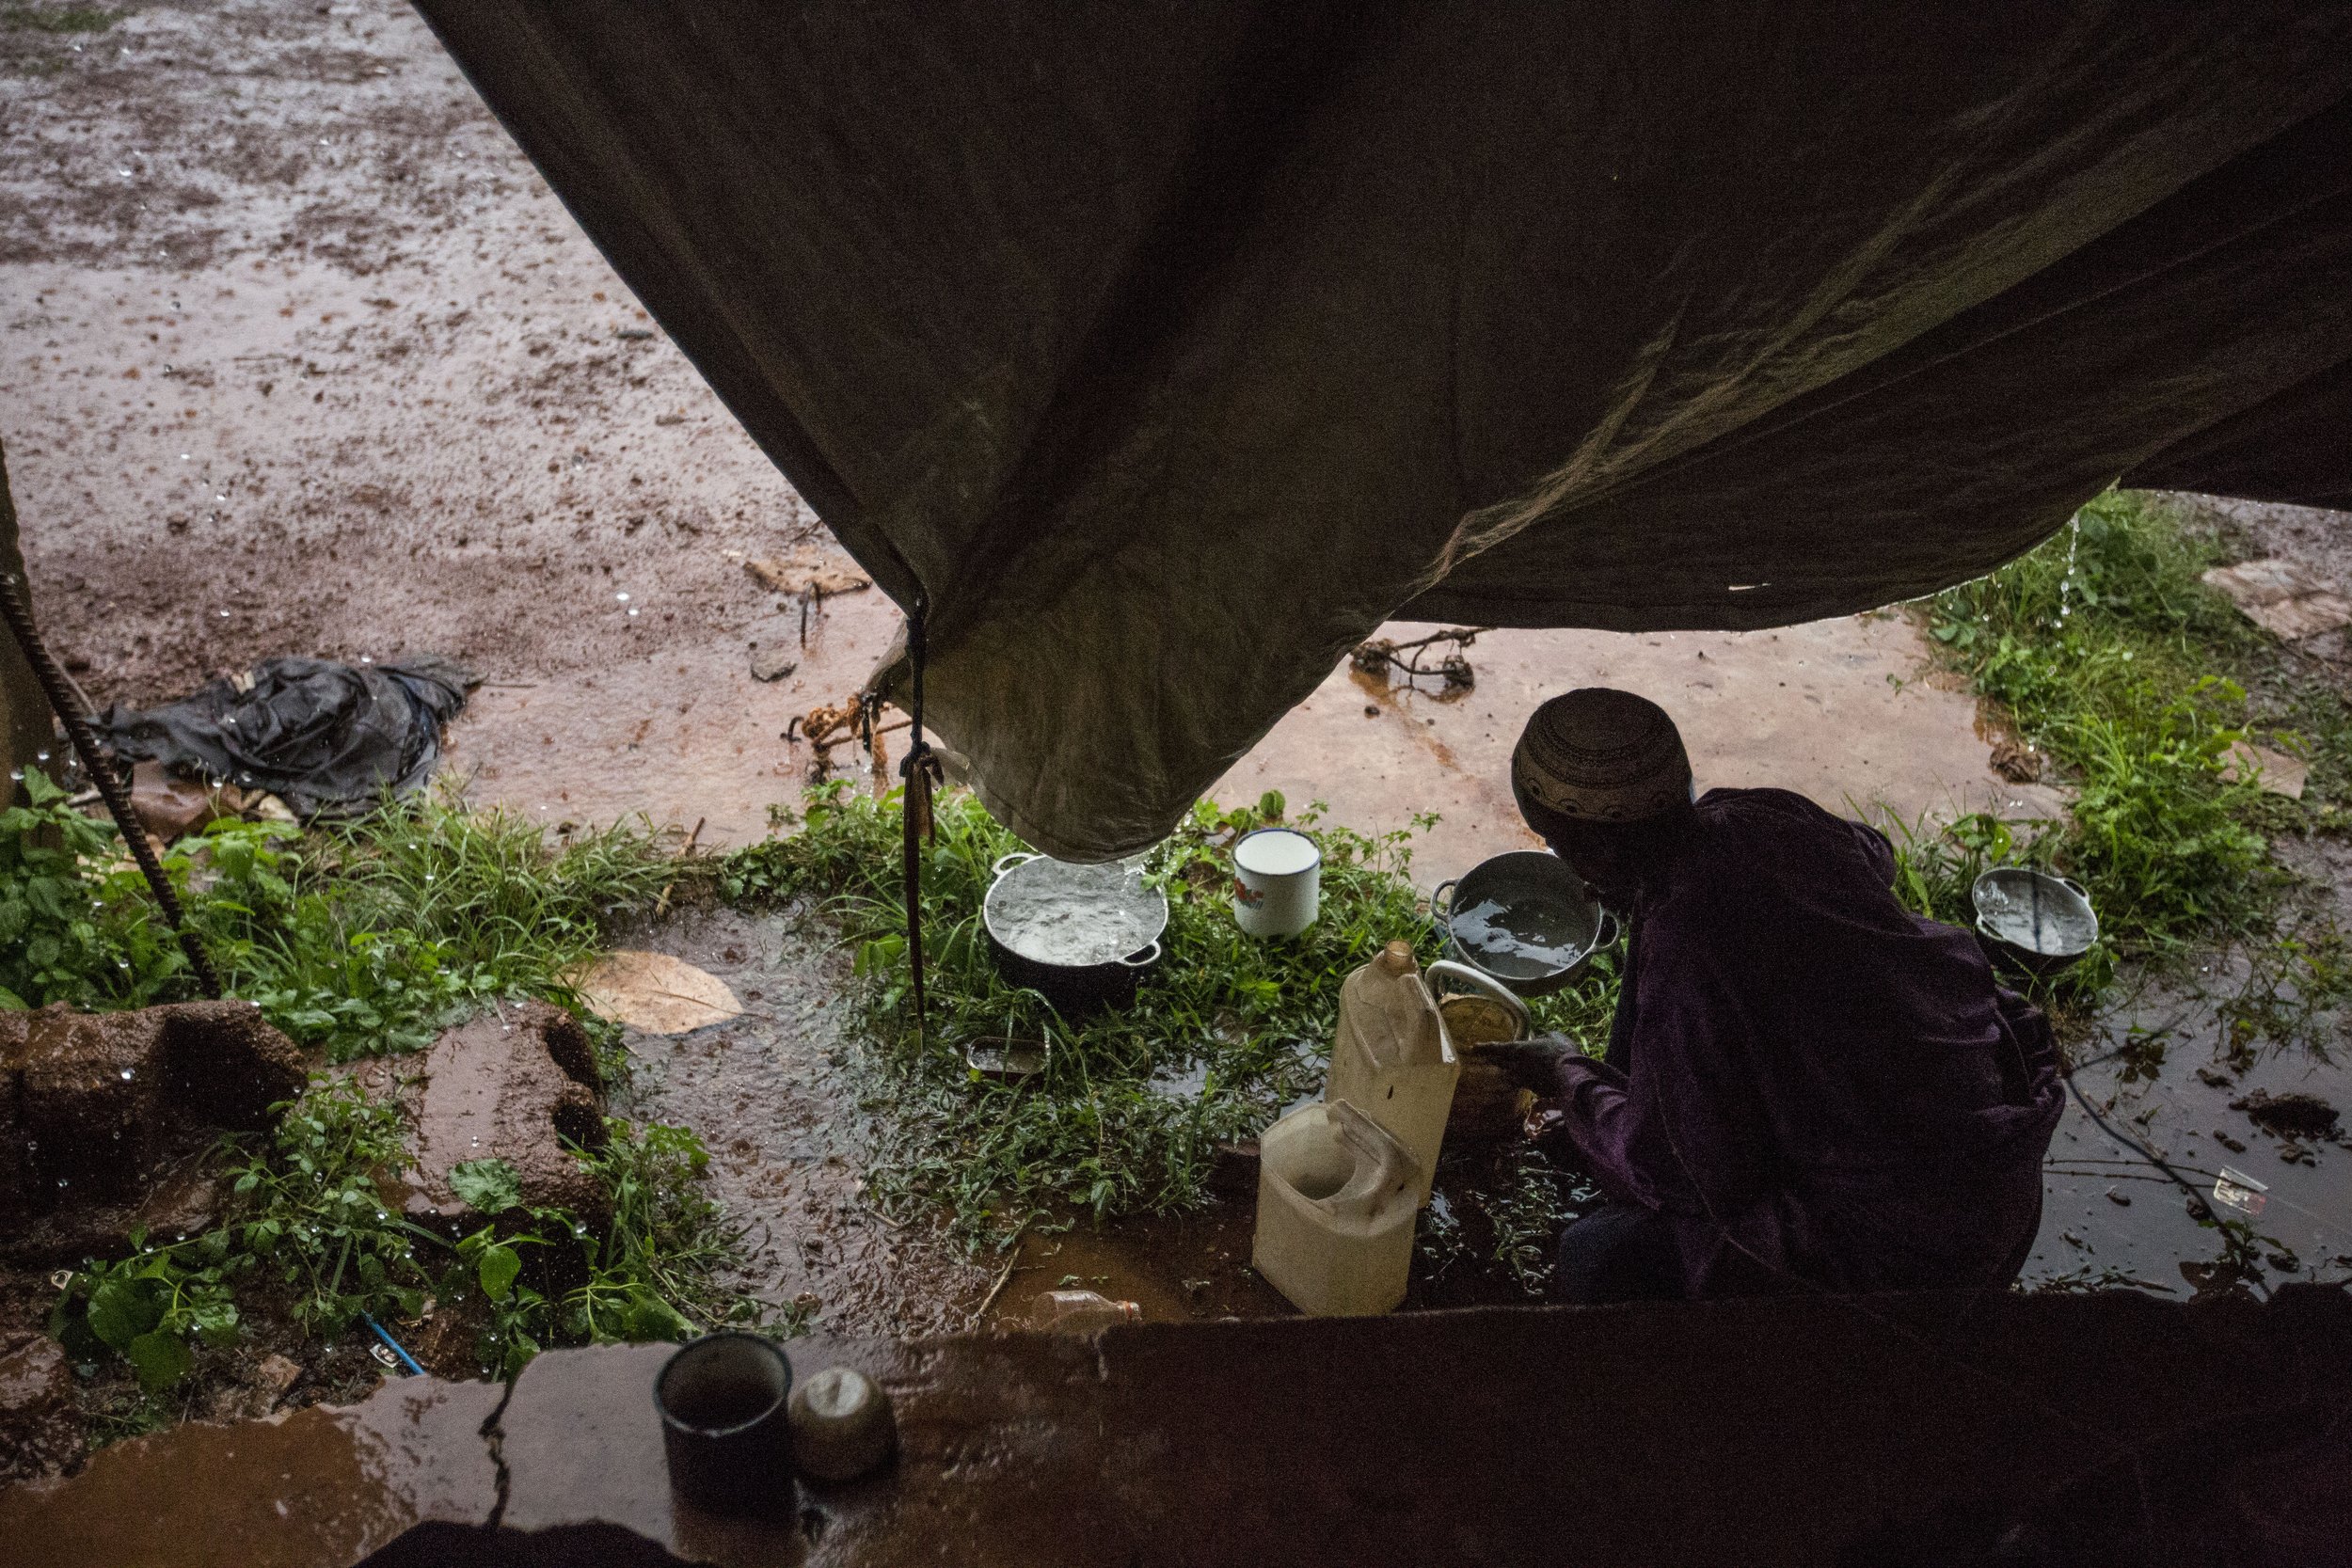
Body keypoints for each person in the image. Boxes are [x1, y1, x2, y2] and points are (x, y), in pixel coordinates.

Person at [1490, 687, 2064, 1303]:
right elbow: (1879, 857)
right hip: (1978, 1131)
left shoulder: (1687, 947)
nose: (1568, 867)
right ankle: (1626, 1106)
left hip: (1919, 1246)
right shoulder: (1752, 815)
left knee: (1595, 1255)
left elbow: (1671, 1170)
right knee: (1651, 920)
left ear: (1595, 851)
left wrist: (1566, 1072)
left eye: (1560, 844)